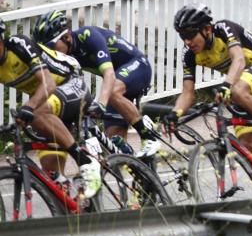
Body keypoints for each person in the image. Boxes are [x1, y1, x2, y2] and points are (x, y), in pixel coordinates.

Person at [165, 4, 252, 163]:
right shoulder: (189, 55)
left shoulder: (224, 28)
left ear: (206, 29)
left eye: (190, 35)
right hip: (240, 84)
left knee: (237, 90)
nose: (187, 41)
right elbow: (187, 93)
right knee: (248, 146)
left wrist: (226, 85)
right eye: (182, 36)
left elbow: (239, 60)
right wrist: (175, 114)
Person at [31, 10, 163, 156]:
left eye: (51, 47)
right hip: (118, 83)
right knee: (114, 148)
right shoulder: (65, 58)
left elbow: (109, 73)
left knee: (111, 92)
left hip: (138, 66)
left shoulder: (87, 36)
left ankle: (148, 137)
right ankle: (138, 168)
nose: (50, 53)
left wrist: (101, 104)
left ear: (66, 37)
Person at [0, 20, 101, 197]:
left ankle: (86, 163)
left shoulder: (18, 45)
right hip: (48, 101)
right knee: (50, 173)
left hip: (71, 83)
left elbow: (49, 83)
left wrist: (29, 107)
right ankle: (72, 212)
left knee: (36, 114)